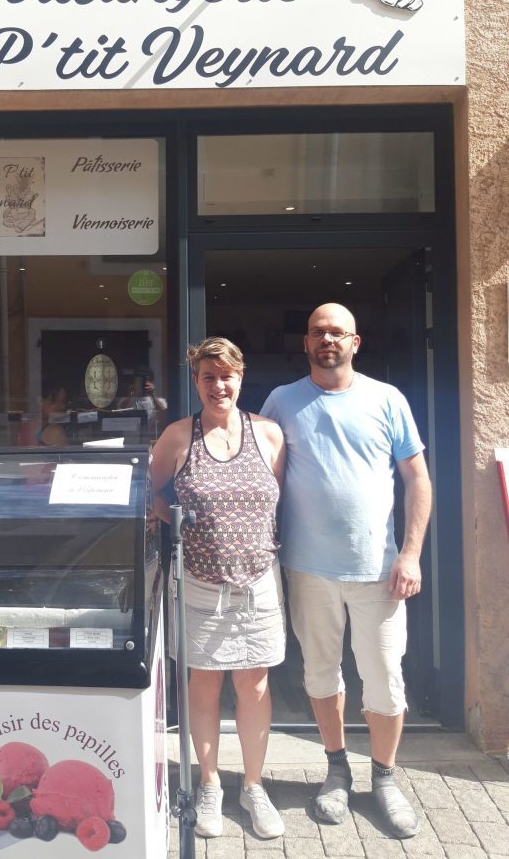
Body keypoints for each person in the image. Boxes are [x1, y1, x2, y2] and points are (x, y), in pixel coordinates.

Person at [260, 303, 431, 840]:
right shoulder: (281, 401)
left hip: (379, 570)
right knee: (319, 674)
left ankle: (384, 777)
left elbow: (417, 480)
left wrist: (410, 554)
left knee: (383, 678)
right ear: (306, 342)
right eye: (317, 332)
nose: (326, 339)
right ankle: (336, 768)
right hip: (308, 569)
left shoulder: (387, 399)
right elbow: (260, 478)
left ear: (356, 341)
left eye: (336, 332)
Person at [150, 337, 287, 840]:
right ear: (196, 382)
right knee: (205, 684)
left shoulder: (269, 435)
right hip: (201, 584)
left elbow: (276, 498)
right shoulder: (177, 438)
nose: (218, 385)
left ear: (241, 378)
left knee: (253, 685)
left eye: (226, 375)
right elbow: (155, 492)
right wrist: (183, 526)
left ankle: (253, 786)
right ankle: (209, 785)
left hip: (258, 582)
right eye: (208, 376)